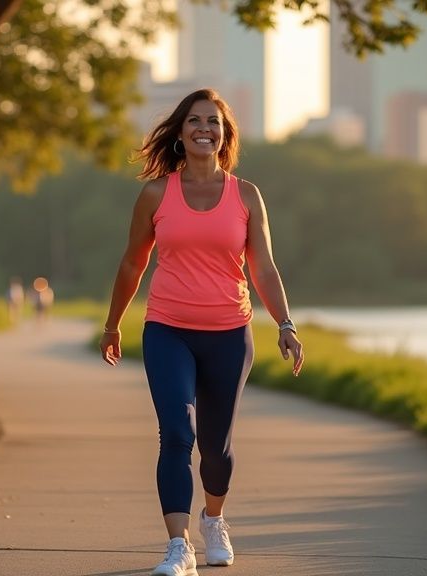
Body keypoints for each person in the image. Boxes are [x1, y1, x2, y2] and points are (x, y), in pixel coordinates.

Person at [99, 88, 304, 576]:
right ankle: (179, 545)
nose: (203, 129)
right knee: (176, 434)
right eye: (194, 120)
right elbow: (133, 262)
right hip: (168, 328)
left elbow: (265, 269)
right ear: (180, 131)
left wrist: (285, 323)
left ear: (224, 134)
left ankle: (214, 520)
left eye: (213, 122)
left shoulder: (246, 195)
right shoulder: (155, 193)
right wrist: (112, 324)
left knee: (216, 446)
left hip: (230, 333)